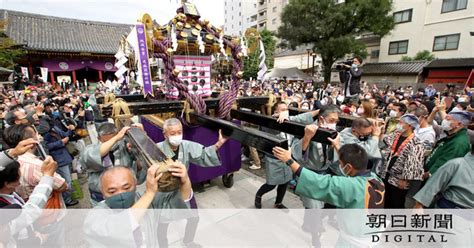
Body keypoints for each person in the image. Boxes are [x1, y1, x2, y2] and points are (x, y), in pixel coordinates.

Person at [155, 118, 228, 247]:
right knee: (162, 223)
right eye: (172, 133)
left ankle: (188, 241)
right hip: (164, 192)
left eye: (179, 132)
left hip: (184, 187)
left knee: (194, 217)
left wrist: (219, 143)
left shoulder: (186, 145)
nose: (177, 136)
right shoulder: (157, 149)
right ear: (165, 134)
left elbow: (203, 154)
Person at [84, 162, 192, 247]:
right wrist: (150, 193)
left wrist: (185, 181)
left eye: (126, 188)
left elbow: (177, 204)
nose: (121, 194)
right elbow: (119, 228)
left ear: (135, 185)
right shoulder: (95, 216)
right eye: (112, 191)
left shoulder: (143, 200)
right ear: (102, 193)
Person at [272, 143, 385, 208]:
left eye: (341, 164)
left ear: (349, 167)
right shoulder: (376, 179)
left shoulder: (352, 186)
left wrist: (289, 160)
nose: (340, 167)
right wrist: (338, 147)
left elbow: (320, 182)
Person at [0, 156, 60, 247]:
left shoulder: (9, 193)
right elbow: (30, 210)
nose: (20, 183)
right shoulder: (4, 213)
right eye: (18, 179)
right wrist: (47, 176)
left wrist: (10, 153)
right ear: (7, 183)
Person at [81, 123, 146, 206]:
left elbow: (139, 165)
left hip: (126, 196)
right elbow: (88, 158)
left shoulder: (124, 146)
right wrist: (116, 139)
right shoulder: (90, 150)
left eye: (114, 139)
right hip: (100, 197)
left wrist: (140, 137)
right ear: (99, 138)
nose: (112, 143)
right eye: (106, 141)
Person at [3, 124, 68, 204]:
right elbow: (62, 186)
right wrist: (49, 174)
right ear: (31, 141)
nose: (39, 136)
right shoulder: (37, 165)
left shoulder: (7, 161)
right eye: (36, 134)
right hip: (46, 209)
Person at [414, 133, 473, 209]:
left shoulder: (456, 161)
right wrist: (419, 205)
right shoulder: (456, 164)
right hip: (450, 207)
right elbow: (434, 184)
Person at [377, 114, 425, 208]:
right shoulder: (395, 135)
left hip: (399, 178)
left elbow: (413, 163)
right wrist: (381, 133)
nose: (398, 124)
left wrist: (405, 179)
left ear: (409, 126)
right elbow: (385, 143)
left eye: (401, 123)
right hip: (386, 173)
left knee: (396, 202)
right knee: (384, 199)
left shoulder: (416, 143)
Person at [254, 102, 293, 209]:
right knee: (271, 184)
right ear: (276, 112)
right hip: (274, 159)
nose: (286, 112)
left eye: (287, 109)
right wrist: (277, 119)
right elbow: (269, 132)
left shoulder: (290, 121)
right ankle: (259, 195)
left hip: (287, 157)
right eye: (283, 110)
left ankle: (278, 202)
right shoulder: (270, 122)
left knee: (284, 182)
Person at [424, 111, 471, 176]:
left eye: (448, 119)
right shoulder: (451, 136)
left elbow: (443, 166)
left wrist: (427, 175)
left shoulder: (458, 144)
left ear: (459, 124)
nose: (444, 121)